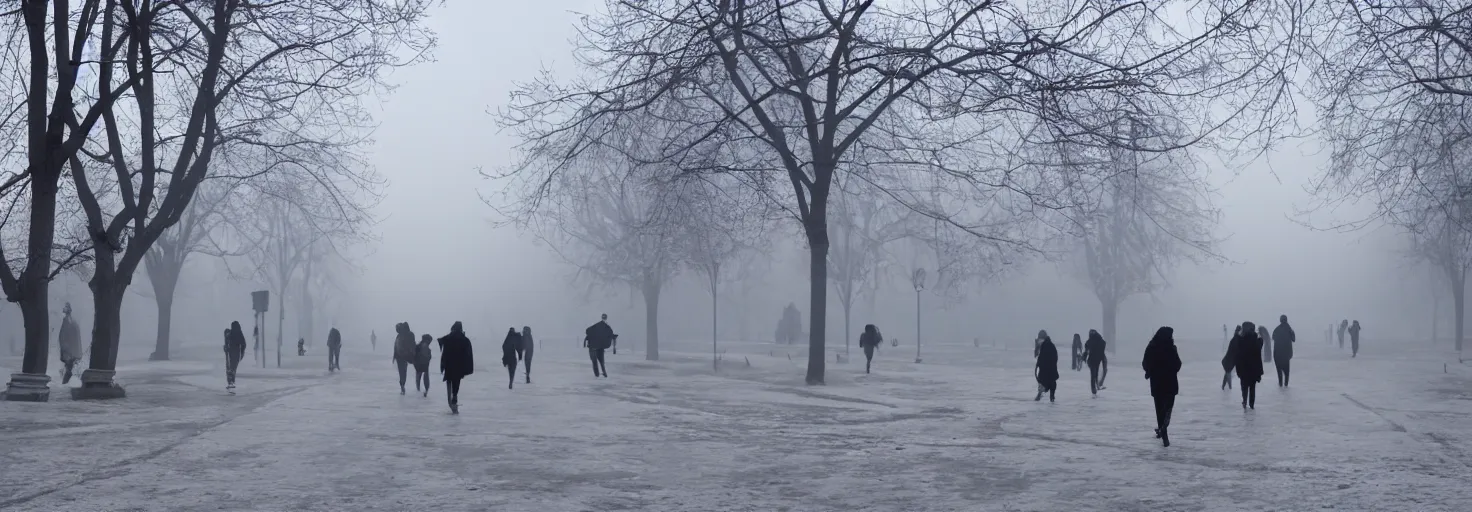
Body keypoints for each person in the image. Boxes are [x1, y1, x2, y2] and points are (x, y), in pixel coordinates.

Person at [1142, 326, 1182, 447]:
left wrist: (1151, 370)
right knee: (1168, 406)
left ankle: (1164, 435)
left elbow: (1145, 363)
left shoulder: (1152, 347)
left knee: (1159, 410)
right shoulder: (1171, 348)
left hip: (1157, 383)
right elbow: (1178, 364)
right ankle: (1165, 424)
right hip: (1170, 382)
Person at [438, 322, 474, 413]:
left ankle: (450, 403)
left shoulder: (449, 337)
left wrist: (442, 364)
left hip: (449, 365)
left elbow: (441, 341)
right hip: (459, 366)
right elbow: (468, 353)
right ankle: (454, 397)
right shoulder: (464, 339)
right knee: (456, 382)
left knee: (449, 381)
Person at [1234, 321, 1265, 410]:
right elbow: (1260, 346)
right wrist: (1261, 337)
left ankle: (1244, 402)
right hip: (1254, 369)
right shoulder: (1256, 339)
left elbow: (1236, 352)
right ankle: (1251, 406)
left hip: (1243, 368)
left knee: (1244, 386)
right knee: (1252, 388)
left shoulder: (1240, 339)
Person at [57, 303, 83, 384]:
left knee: (68, 370)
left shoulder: (67, 320)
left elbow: (63, 336)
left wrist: (65, 350)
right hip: (73, 351)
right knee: (69, 369)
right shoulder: (73, 321)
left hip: (69, 351)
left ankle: (65, 383)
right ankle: (66, 383)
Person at [584, 313, 615, 378]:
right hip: (600, 347)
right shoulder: (607, 327)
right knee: (601, 361)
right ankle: (604, 374)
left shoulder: (595, 325)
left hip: (593, 346)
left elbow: (587, 331)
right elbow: (610, 334)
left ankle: (597, 375)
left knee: (595, 361)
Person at [393, 322, 417, 395]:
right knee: (404, 371)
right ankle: (402, 384)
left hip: (400, 356)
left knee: (401, 372)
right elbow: (413, 344)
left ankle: (402, 385)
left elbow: (395, 346)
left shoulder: (399, 335)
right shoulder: (410, 334)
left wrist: (394, 356)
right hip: (405, 356)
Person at [1035, 334, 1060, 402]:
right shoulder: (1051, 345)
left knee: (1043, 382)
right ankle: (1051, 397)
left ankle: (1040, 395)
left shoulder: (1045, 346)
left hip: (1045, 368)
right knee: (1051, 383)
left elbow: (1041, 357)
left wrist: (1038, 364)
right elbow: (1055, 357)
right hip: (1052, 368)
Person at [1082, 329, 1107, 395]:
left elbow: (1087, 349)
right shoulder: (1101, 341)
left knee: (1093, 374)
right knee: (1095, 374)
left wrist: (1084, 356)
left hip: (1092, 360)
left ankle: (1094, 388)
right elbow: (1103, 347)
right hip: (1097, 359)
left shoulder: (1090, 341)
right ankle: (1096, 387)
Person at [1272, 315, 1295, 386]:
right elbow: (1293, 339)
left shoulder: (1276, 329)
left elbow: (1273, 337)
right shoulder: (1289, 329)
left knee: (1279, 372)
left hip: (1277, 354)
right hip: (1286, 354)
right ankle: (1286, 386)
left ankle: (1280, 385)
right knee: (1286, 372)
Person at [225, 322, 248, 393]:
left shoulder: (230, 334)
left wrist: (226, 349)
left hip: (230, 352)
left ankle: (230, 382)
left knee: (230, 367)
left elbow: (227, 343)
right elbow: (243, 344)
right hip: (237, 353)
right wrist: (242, 353)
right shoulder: (239, 334)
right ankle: (232, 381)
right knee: (233, 368)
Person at [1221, 325, 1239, 390]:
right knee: (1228, 375)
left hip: (1227, 361)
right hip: (1228, 362)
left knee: (1227, 374)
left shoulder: (1235, 339)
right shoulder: (1236, 339)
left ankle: (1223, 388)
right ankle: (1228, 389)